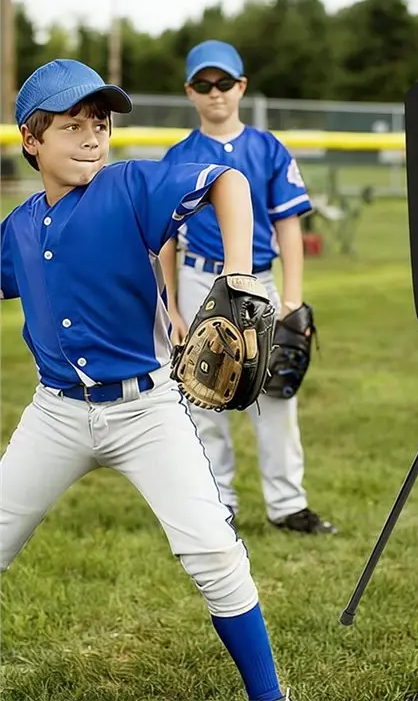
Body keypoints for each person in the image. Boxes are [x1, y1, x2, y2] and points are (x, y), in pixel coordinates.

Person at [0, 59, 291, 701]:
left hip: (145, 411)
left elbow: (230, 183)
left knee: (213, 551)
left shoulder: (130, 187)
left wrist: (237, 273)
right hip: (56, 415)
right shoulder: (18, 228)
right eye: (71, 125)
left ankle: (269, 696)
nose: (91, 137)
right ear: (30, 140)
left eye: (99, 124)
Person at [158, 40, 337, 535]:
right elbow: (166, 239)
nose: (214, 93)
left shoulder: (268, 148)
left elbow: (288, 228)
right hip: (199, 277)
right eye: (203, 84)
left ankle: (287, 504)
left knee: (275, 390)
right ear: (189, 92)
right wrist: (171, 305)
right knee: (203, 391)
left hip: (258, 281)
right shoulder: (179, 156)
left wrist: (293, 298)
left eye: (223, 83)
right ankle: (218, 503)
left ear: (241, 86)